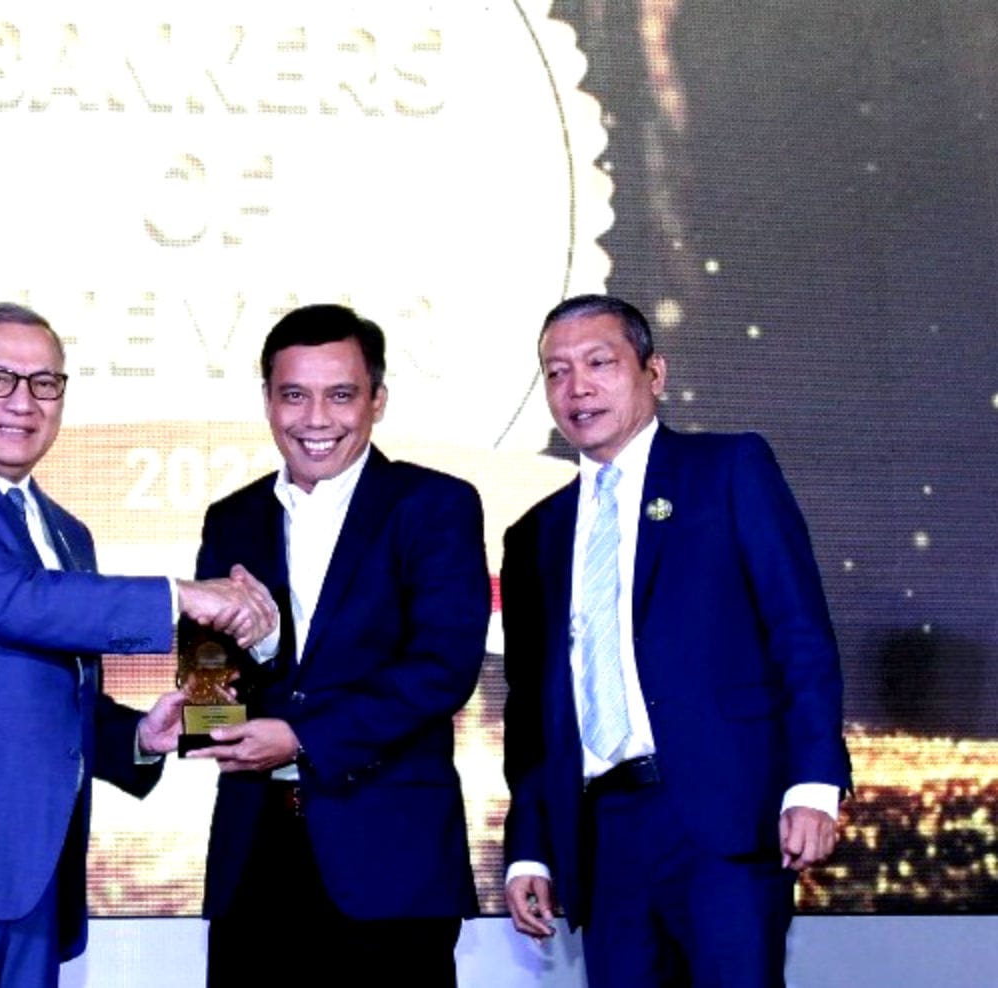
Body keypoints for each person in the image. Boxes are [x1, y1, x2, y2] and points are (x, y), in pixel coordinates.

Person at [0, 302, 276, 988]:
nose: (23, 402)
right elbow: (8, 601)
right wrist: (180, 597)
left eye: (45, 383)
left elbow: (52, 688)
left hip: (31, 884)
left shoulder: (68, 532)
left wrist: (139, 738)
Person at [500, 294, 852, 986]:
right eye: (557, 372)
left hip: (723, 819)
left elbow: (799, 632)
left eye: (599, 363)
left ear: (653, 373)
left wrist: (815, 782)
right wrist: (530, 848)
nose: (577, 388)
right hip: (602, 836)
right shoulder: (535, 534)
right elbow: (533, 712)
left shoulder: (728, 469)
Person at [187, 303, 490, 987]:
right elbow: (208, 700)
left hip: (390, 857)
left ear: (377, 400)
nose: (316, 419)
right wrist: (254, 658)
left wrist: (301, 736)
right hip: (254, 856)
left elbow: (443, 667)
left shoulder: (433, 505)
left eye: (341, 395)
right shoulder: (231, 519)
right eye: (294, 395)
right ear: (268, 401)